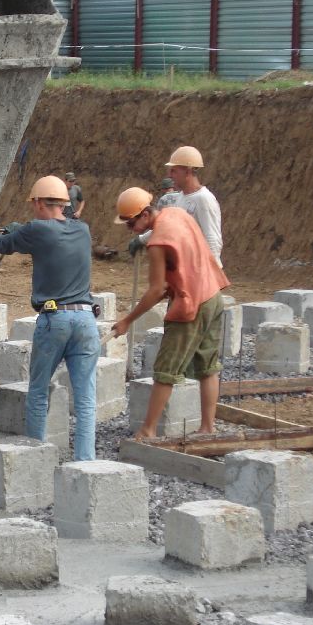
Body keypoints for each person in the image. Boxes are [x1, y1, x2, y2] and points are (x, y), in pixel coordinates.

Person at [0, 175, 99, 461]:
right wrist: (22, 232)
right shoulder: (83, 230)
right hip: (87, 320)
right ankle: (86, 464)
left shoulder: (37, 230)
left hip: (55, 321)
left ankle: (36, 460)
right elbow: (46, 235)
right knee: (86, 398)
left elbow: (0, 244)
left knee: (38, 391)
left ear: (39, 203)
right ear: (65, 203)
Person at [112, 187, 230, 439]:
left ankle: (148, 430)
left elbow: (156, 290)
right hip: (213, 296)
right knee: (208, 367)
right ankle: (208, 427)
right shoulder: (177, 213)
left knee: (166, 370)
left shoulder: (157, 243)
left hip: (191, 305)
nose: (130, 230)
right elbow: (185, 261)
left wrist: (127, 321)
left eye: (131, 223)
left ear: (145, 214)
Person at [165, 145, 223, 266]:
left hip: (201, 271)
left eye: (174, 171)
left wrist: (211, 273)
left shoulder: (204, 199)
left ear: (187, 171)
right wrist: (142, 239)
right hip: (188, 270)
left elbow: (212, 239)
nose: (170, 176)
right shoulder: (180, 198)